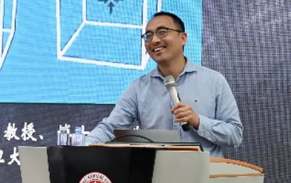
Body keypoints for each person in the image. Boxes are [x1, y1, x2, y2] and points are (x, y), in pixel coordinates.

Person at [84, 11, 243, 158]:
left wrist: (198, 121)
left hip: (206, 175)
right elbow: (110, 128)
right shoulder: (138, 88)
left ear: (183, 38)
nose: (154, 40)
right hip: (157, 176)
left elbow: (235, 135)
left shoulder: (214, 81)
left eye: (162, 32)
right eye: (148, 35)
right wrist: (82, 149)